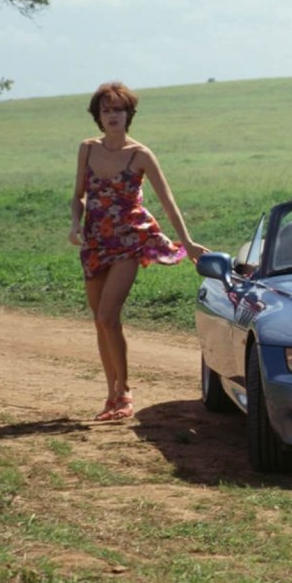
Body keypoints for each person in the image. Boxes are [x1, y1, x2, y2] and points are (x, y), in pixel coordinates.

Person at [69, 82, 208, 422]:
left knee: (107, 316)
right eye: (106, 110)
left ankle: (125, 391)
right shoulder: (87, 149)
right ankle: (111, 395)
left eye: (118, 109)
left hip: (129, 241)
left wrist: (187, 242)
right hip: (93, 242)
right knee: (100, 324)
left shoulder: (141, 155)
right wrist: (75, 224)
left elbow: (168, 201)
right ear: (98, 117)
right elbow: (79, 196)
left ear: (128, 114)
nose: (112, 115)